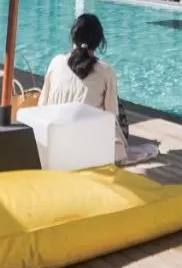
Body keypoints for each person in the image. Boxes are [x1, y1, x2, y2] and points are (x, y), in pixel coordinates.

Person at [37, 13, 126, 162]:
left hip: (54, 144)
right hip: (88, 150)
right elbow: (111, 118)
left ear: (73, 37)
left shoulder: (56, 63)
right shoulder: (106, 71)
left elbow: (42, 106)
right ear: (99, 41)